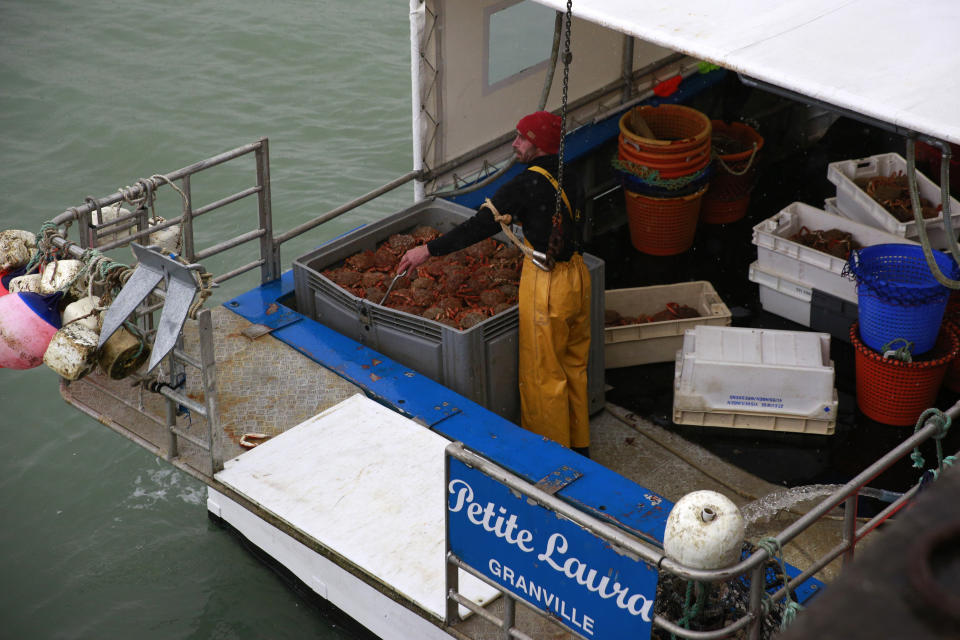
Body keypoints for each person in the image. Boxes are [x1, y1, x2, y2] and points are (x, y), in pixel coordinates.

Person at [398, 110, 591, 457]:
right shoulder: (571, 173)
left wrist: (428, 250)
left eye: (522, 138)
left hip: (547, 284)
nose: (514, 144)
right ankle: (579, 446)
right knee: (573, 364)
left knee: (543, 375)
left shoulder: (526, 185)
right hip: (577, 277)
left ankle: (550, 457)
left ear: (539, 144)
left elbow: (480, 226)